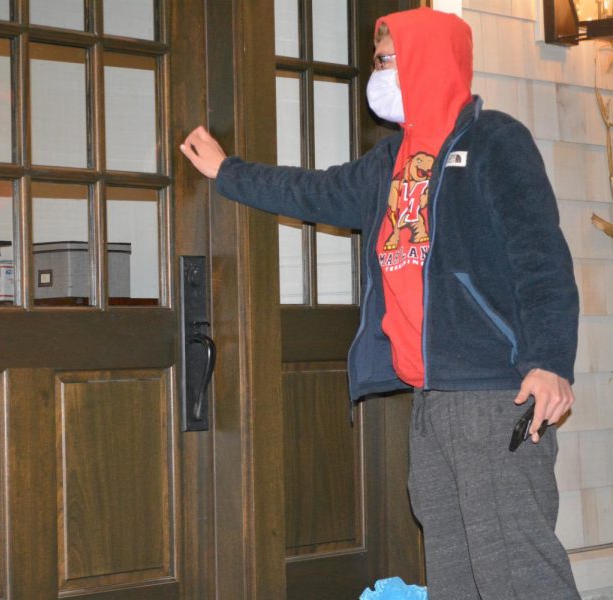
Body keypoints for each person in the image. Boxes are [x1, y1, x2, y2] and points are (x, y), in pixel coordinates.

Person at [180, 7, 581, 600]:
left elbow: (542, 259)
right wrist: (226, 172)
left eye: (385, 60)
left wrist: (550, 362)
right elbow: (311, 190)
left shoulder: (497, 141)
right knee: (453, 573)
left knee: (516, 571)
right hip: (430, 400)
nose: (378, 74)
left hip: (498, 396)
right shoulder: (389, 163)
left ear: (427, 61)